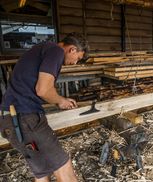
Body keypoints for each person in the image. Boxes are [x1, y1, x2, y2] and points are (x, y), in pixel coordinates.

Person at [0, 32, 89, 181]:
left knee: (42, 173)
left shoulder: (42, 49)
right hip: (25, 119)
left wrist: (59, 99)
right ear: (72, 49)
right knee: (64, 168)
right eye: (78, 58)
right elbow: (43, 90)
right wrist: (61, 101)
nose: (75, 63)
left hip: (10, 120)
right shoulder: (56, 50)